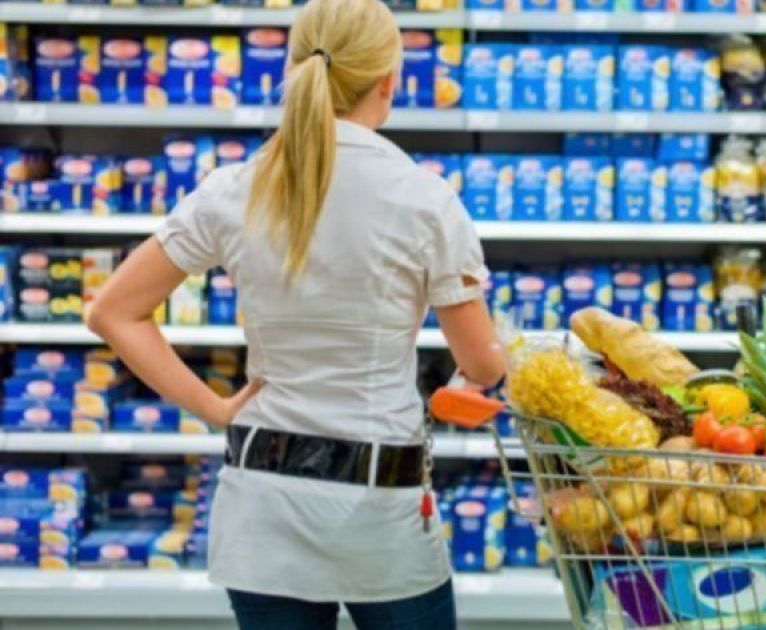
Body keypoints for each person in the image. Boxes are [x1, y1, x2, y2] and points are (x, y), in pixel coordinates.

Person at [85, 0, 506, 627]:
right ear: (388, 80)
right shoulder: (425, 200)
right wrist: (479, 371)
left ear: (294, 66)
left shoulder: (234, 188)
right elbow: (482, 364)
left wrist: (215, 408)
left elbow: (114, 312)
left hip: (261, 503)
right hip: (377, 509)